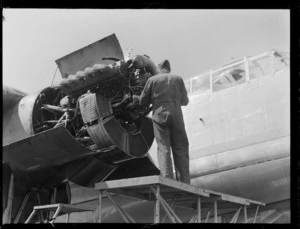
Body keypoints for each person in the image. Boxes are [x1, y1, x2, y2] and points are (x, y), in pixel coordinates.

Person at [136, 59, 190, 184]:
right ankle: (185, 181)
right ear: (169, 69)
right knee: (180, 148)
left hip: (159, 115)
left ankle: (167, 179)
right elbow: (185, 101)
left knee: (163, 147)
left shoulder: (152, 80)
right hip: (177, 116)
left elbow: (143, 101)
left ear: (159, 69)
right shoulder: (178, 79)